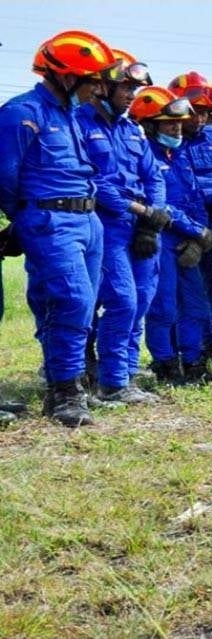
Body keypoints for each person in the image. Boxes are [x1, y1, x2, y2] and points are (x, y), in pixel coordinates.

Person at [0, 30, 119, 426]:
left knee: (83, 304)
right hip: (51, 221)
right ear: (67, 77)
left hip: (88, 220)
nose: (99, 89)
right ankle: (64, 393)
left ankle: (69, 387)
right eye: (93, 81)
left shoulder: (70, 116)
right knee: (70, 300)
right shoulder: (22, 113)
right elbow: (5, 178)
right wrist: (23, 221)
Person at [76, 48, 164, 404]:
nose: (132, 96)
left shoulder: (132, 130)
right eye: (126, 88)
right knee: (122, 301)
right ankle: (111, 382)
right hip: (106, 226)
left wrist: (152, 216)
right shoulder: (80, 123)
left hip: (140, 225)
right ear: (102, 88)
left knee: (142, 300)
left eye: (134, 89)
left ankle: (126, 373)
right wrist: (141, 210)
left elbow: (153, 174)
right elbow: (94, 182)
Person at [130, 86, 212, 383]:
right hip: (160, 240)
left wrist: (196, 238)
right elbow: (159, 204)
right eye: (169, 123)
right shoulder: (145, 156)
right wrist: (196, 231)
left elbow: (195, 199)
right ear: (150, 126)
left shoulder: (180, 155)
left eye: (178, 123)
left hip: (187, 243)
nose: (176, 128)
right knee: (163, 306)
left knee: (196, 306)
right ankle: (165, 363)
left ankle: (193, 362)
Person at [169, 72, 212, 367]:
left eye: (206, 114)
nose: (199, 120)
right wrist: (191, 232)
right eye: (194, 113)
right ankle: (188, 357)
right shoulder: (166, 141)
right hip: (183, 229)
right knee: (188, 298)